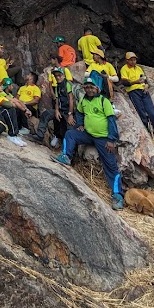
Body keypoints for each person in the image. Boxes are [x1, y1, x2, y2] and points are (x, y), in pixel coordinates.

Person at [56, 77, 124, 210]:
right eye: (86, 87)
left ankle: (118, 195)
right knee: (70, 134)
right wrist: (80, 124)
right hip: (88, 134)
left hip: (103, 138)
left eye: (91, 87)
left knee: (111, 166)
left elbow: (111, 120)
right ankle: (66, 156)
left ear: (97, 88)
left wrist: (111, 140)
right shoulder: (83, 100)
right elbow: (80, 112)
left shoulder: (103, 101)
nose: (89, 89)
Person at [120, 52, 154, 153]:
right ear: (127, 60)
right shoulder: (124, 69)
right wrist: (136, 82)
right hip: (134, 92)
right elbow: (124, 82)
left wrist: (146, 85)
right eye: (131, 59)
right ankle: (149, 139)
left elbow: (144, 79)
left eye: (134, 59)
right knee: (142, 115)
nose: (133, 61)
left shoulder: (139, 68)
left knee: (153, 114)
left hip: (144, 92)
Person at [0, 76, 31, 147]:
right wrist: (19, 107)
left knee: (10, 109)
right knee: (10, 109)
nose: (1, 86)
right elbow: (9, 104)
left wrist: (22, 108)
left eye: (1, 85)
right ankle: (12, 135)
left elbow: (13, 102)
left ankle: (14, 135)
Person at [51, 67, 75, 147]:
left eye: (59, 75)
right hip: (61, 110)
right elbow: (57, 99)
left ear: (63, 76)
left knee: (70, 131)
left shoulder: (67, 84)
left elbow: (71, 99)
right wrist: (57, 110)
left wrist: (70, 114)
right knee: (57, 121)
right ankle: (58, 139)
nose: (57, 77)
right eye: (56, 76)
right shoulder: (57, 86)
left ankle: (69, 152)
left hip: (68, 111)